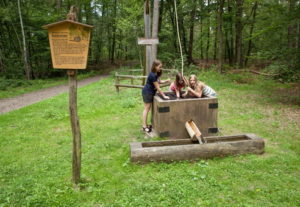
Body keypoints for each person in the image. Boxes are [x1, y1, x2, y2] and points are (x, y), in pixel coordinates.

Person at [142, 60, 170, 133]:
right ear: (155, 66)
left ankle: (146, 125)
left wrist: (166, 80)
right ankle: (144, 126)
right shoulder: (153, 75)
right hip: (147, 92)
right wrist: (164, 96)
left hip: (150, 92)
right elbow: (158, 87)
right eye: (159, 67)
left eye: (161, 67)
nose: (160, 68)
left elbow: (159, 82)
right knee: (146, 109)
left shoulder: (155, 74)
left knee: (148, 108)